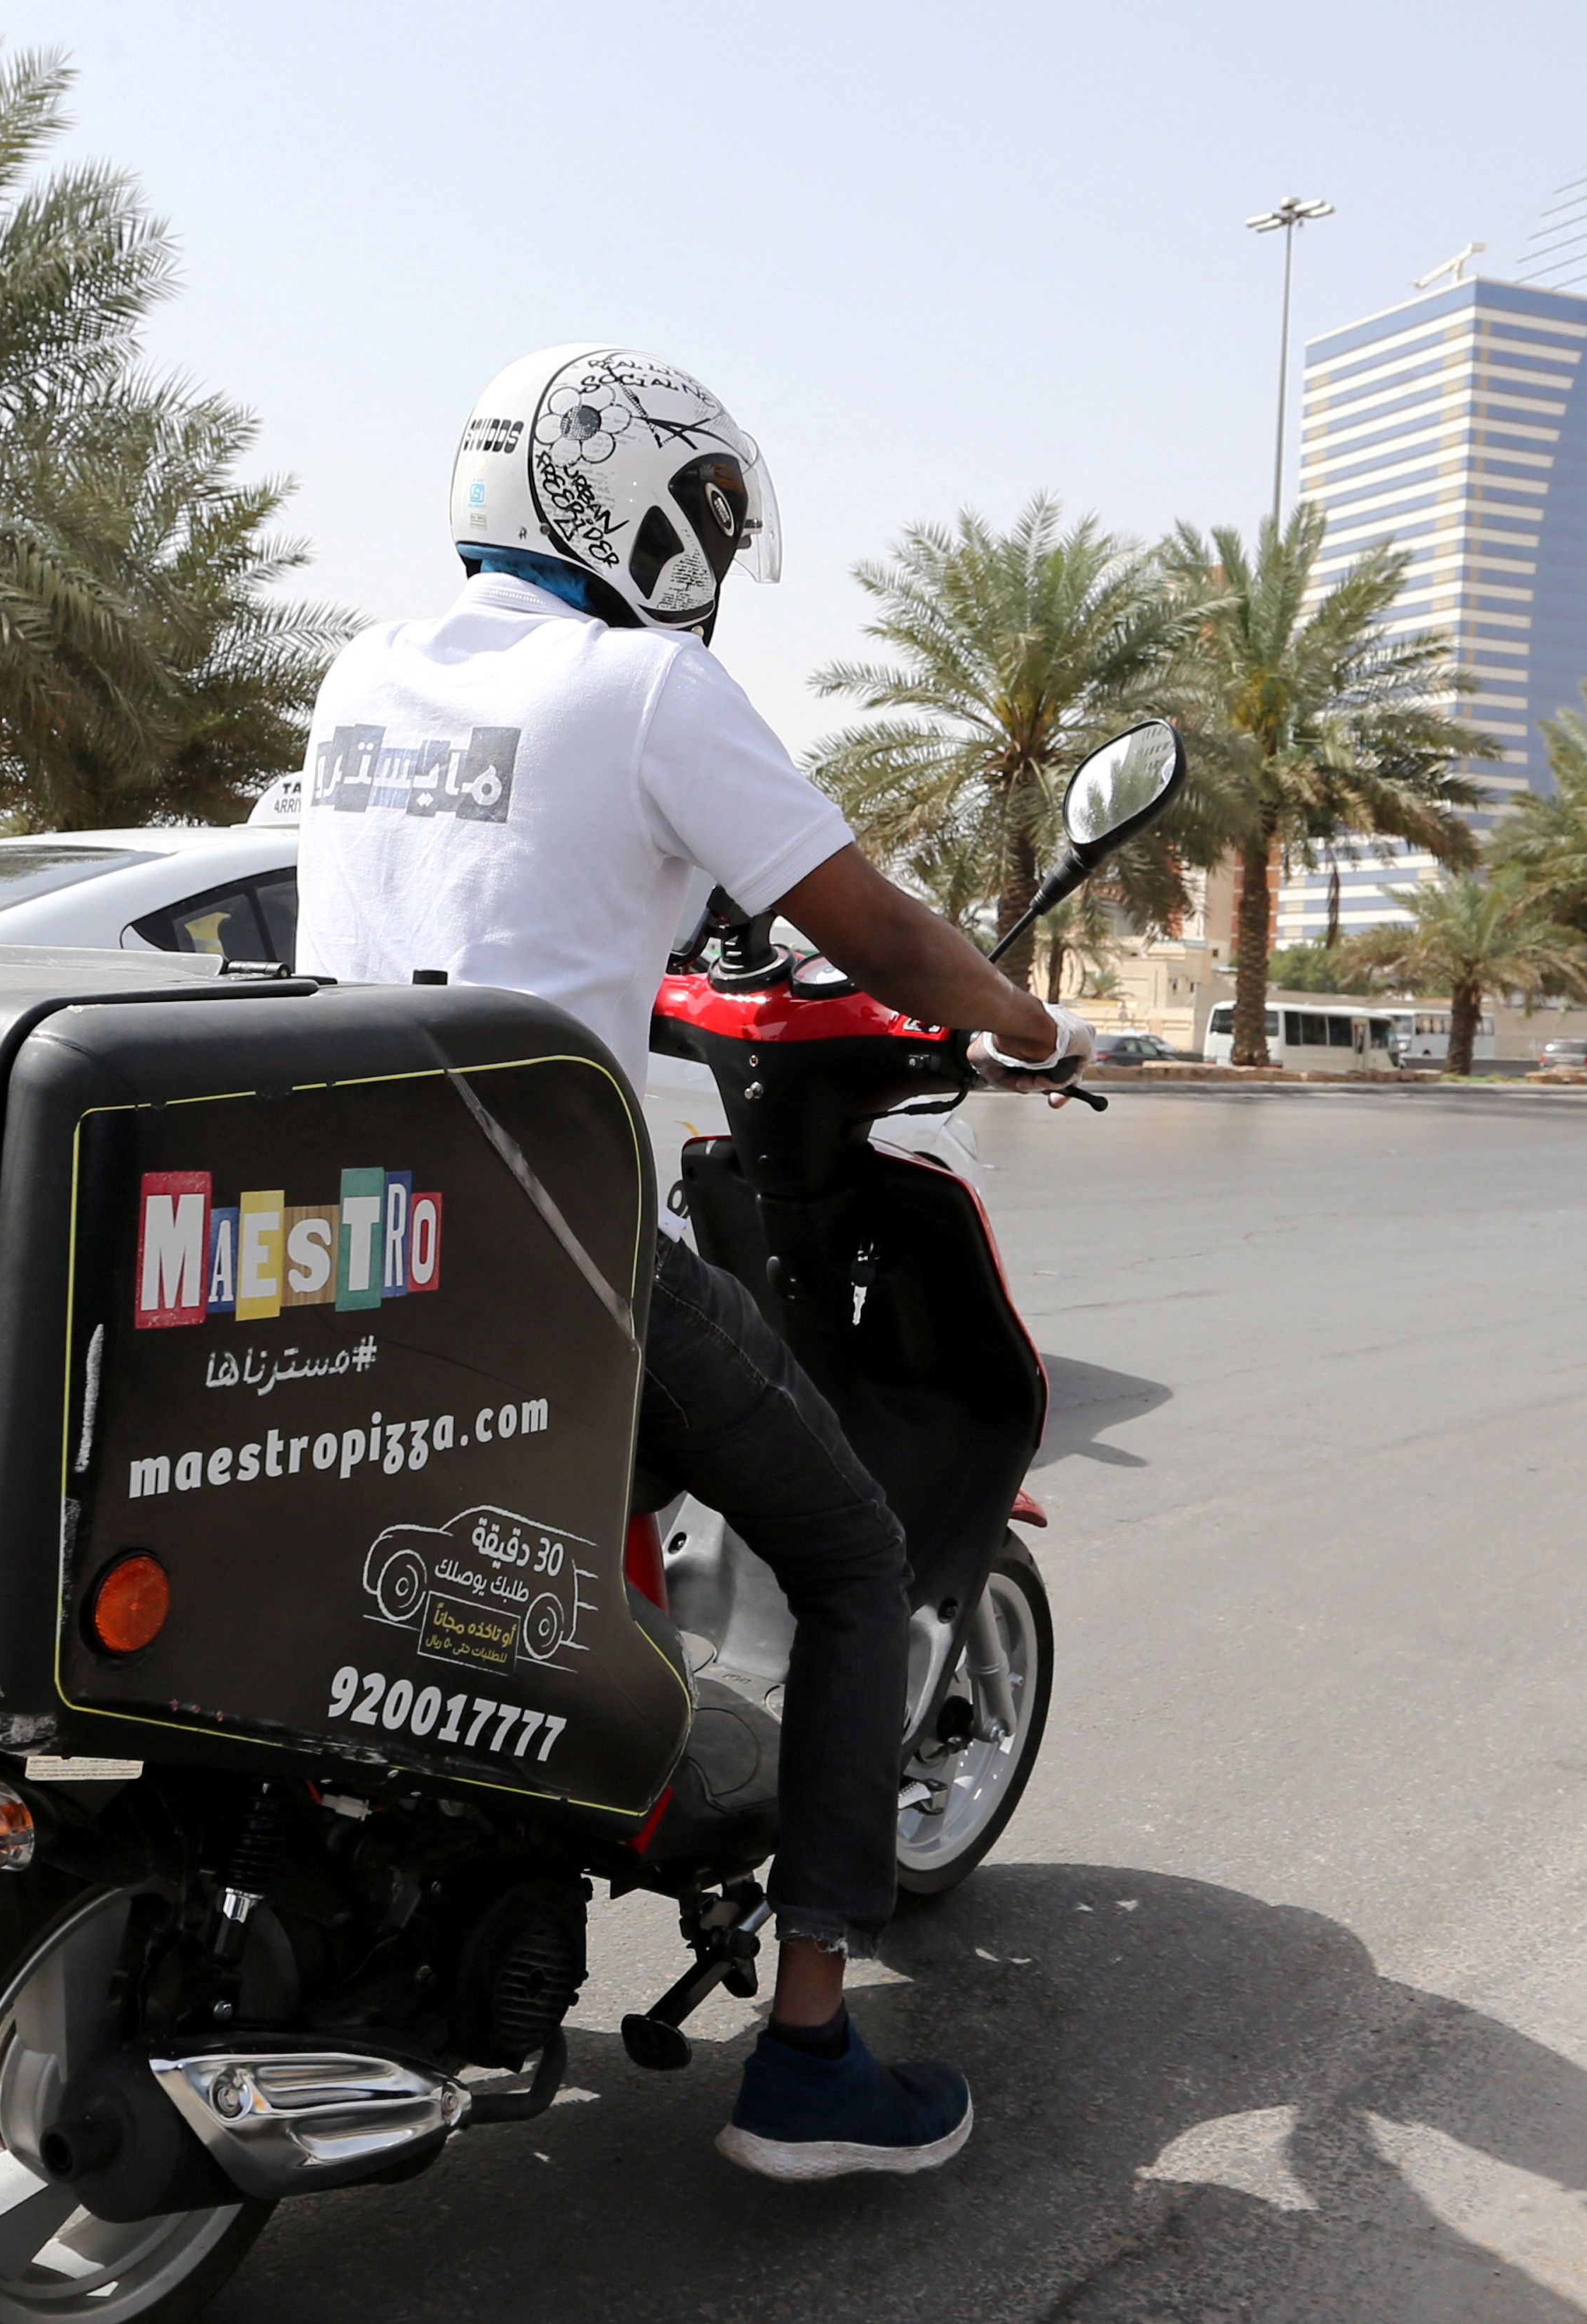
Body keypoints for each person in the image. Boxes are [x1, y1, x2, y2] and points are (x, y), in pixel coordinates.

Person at [293, 345, 1093, 2180]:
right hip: (555, 1261)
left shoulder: (367, 668)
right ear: (622, 502)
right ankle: (810, 2058)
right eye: (708, 513)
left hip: (349, 1247)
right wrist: (1036, 1029)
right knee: (849, 1554)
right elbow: (871, 919)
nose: (713, 550)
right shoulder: (651, 686)